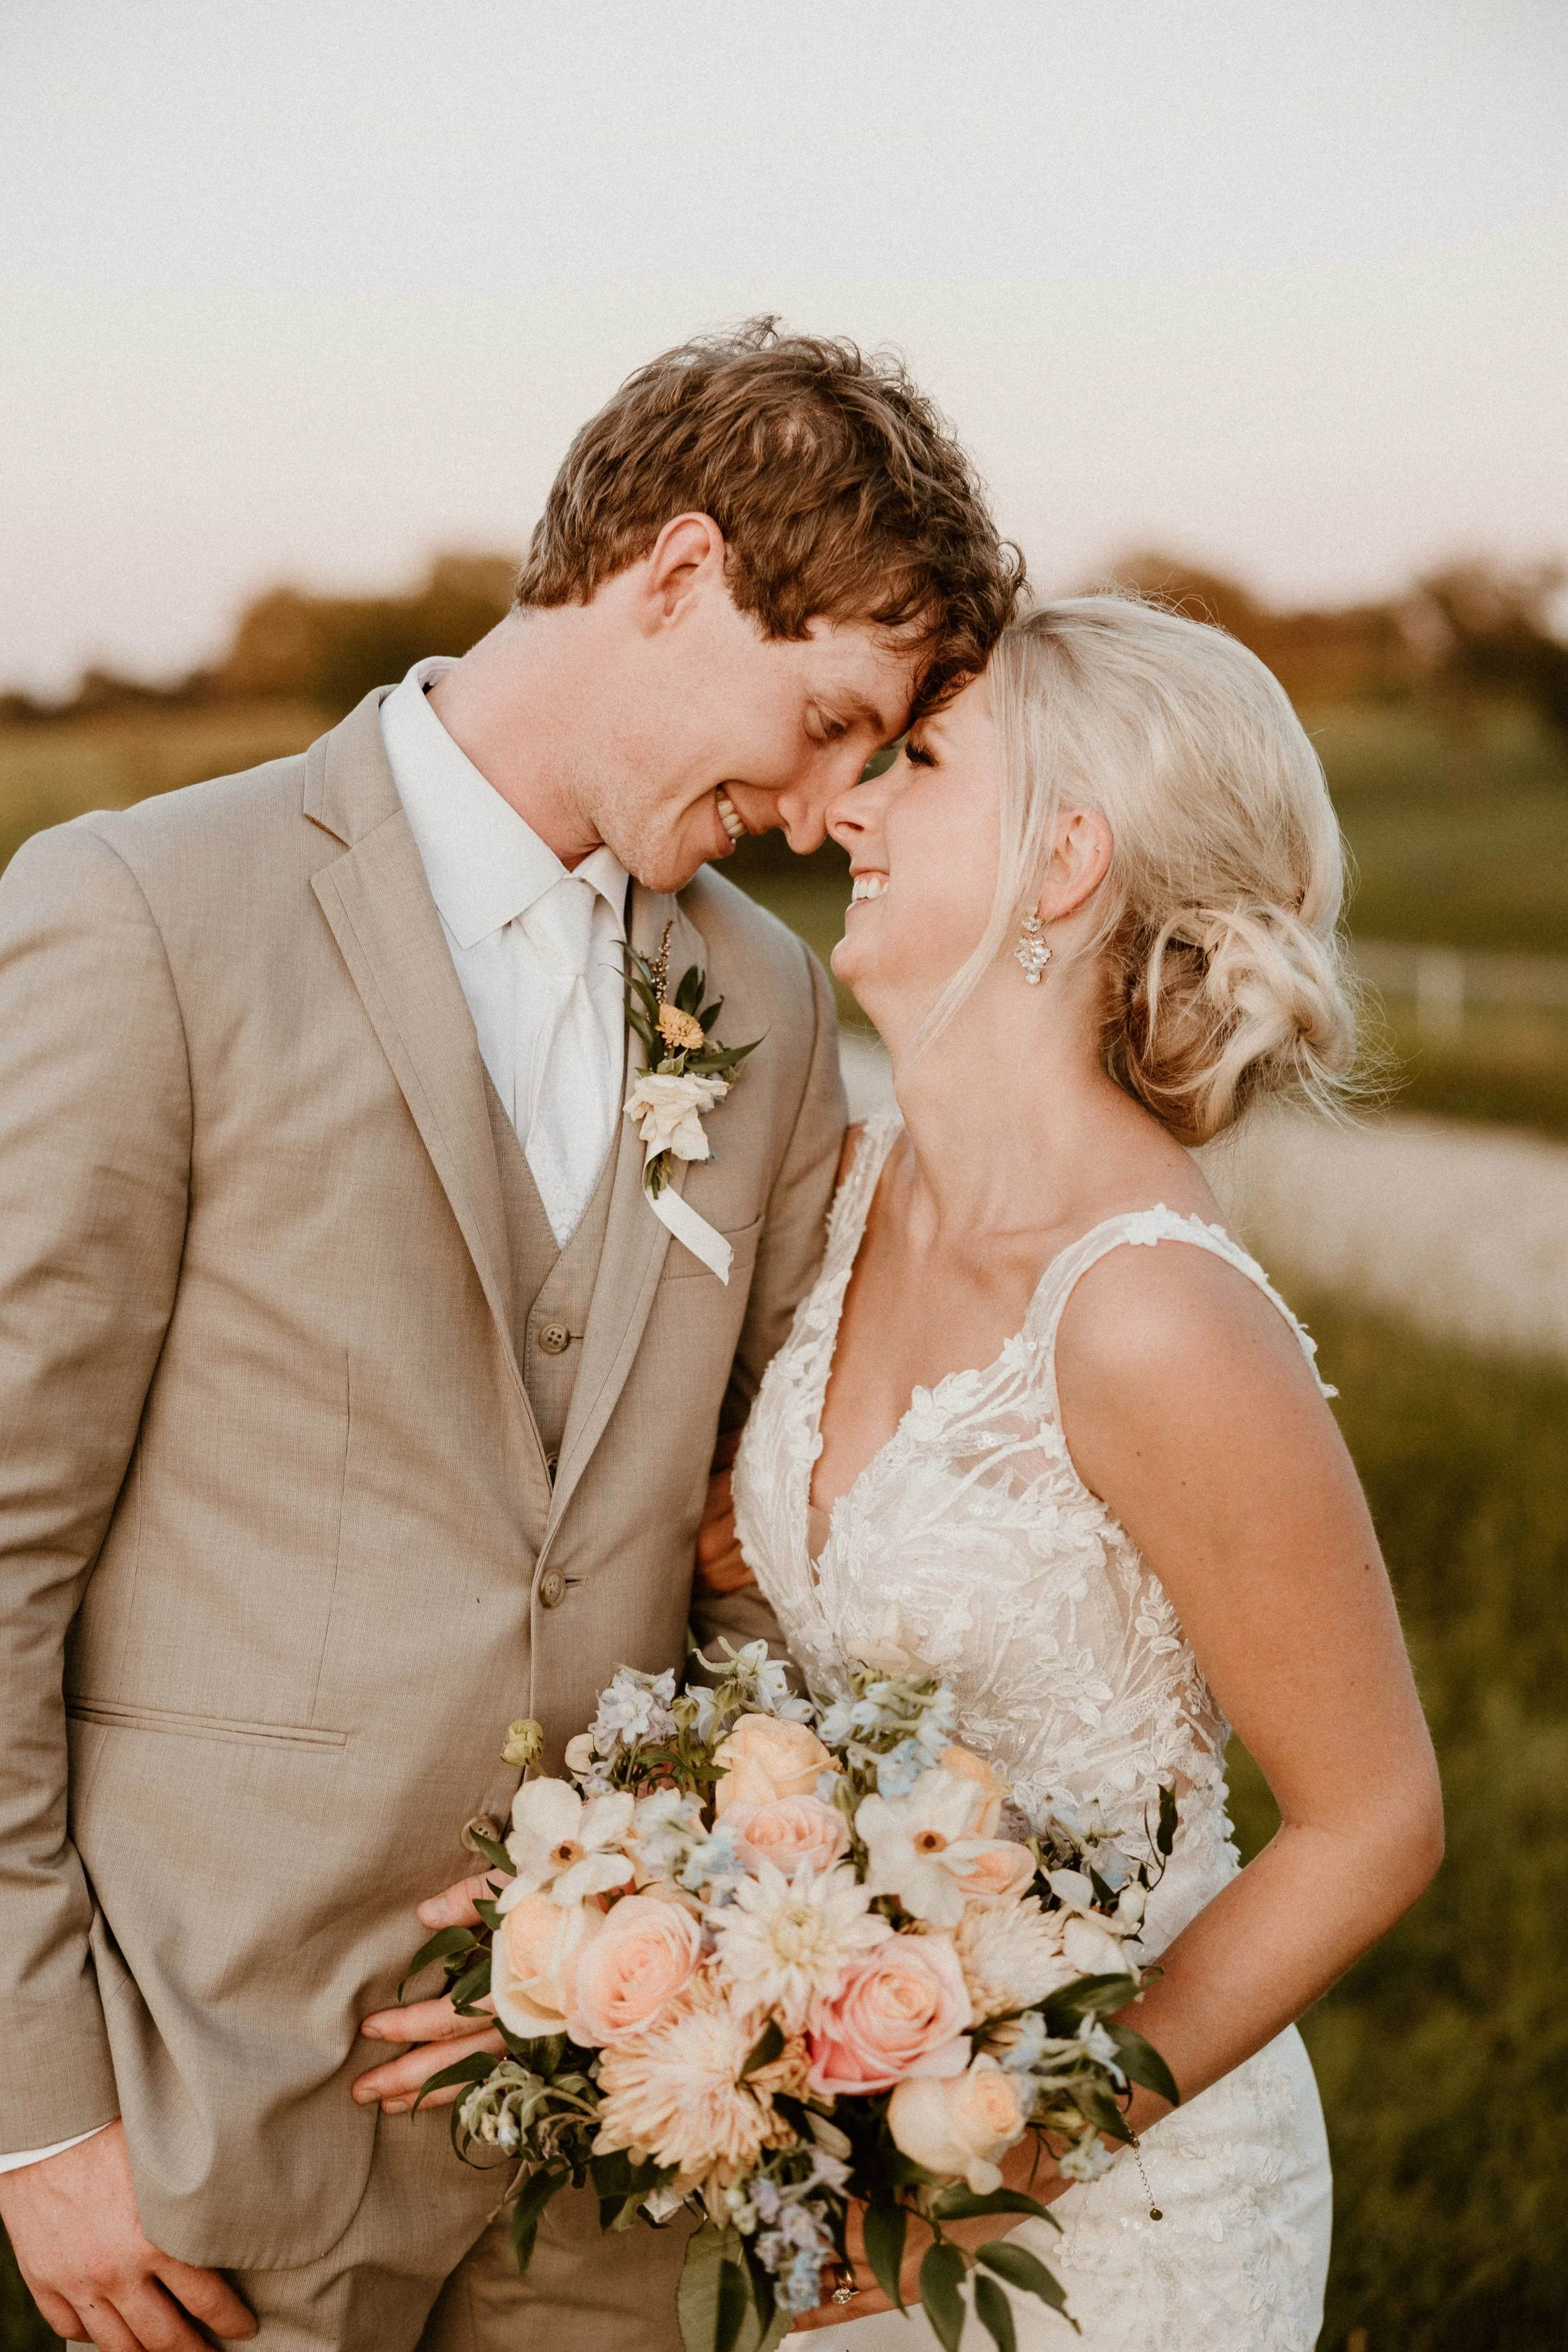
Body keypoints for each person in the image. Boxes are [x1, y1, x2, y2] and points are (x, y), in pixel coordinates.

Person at [0, 322, 1020, 2352]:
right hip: (225, 2127)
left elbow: (751, 1546)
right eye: (822, 721)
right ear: (673, 576)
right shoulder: (143, 914)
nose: (828, 813)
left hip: (625, 2140)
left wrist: (719, 1959)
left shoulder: (772, 1005)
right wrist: (36, 2118)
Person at [722, 597, 1444, 2348]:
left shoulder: (1146, 1316)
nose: (843, 812)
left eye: (919, 766)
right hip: (833, 2166)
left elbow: (1371, 1823)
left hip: (1104, 2235)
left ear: (1062, 862)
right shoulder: (848, 1191)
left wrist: (982, 2175)